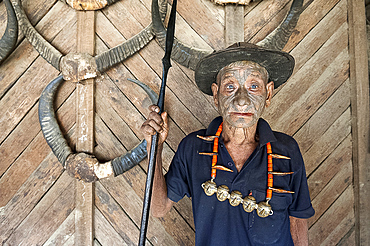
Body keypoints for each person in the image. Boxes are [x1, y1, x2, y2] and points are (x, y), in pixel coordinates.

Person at [141, 42, 315, 246]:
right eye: (230, 87)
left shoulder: (286, 150)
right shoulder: (194, 147)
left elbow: (298, 219)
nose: (241, 100)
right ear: (216, 95)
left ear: (268, 94)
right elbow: (158, 208)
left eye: (254, 86)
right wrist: (155, 147)